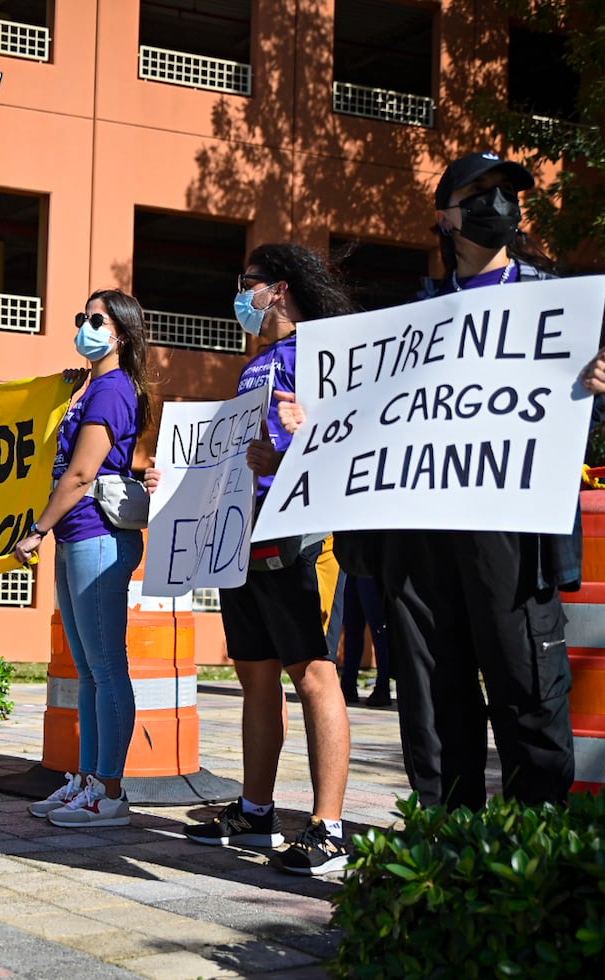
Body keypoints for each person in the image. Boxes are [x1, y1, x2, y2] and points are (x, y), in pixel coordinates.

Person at [279, 152, 605, 811]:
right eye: (482, 192)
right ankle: (447, 844)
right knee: (435, 703)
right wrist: (314, 419)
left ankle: (535, 851)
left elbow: (567, 412)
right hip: (420, 543)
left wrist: (594, 390)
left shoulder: (554, 305)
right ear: (445, 216)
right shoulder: (411, 318)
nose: (500, 204)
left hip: (514, 539)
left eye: (507, 194)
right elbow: (368, 418)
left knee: (528, 690)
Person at [181, 243, 355, 876]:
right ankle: (256, 813)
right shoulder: (257, 364)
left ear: (278, 289)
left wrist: (285, 460)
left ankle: (328, 827)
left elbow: (343, 443)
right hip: (242, 537)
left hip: (299, 538)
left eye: (245, 284)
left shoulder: (321, 353)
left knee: (312, 673)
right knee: (254, 674)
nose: (238, 296)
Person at [18, 289, 152, 828]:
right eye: (82, 318)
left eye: (96, 320)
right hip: (77, 537)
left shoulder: (114, 390)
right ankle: (90, 778)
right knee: (89, 671)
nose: (85, 326)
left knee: (105, 666)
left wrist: (37, 529)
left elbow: (80, 473)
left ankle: (111, 792)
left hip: (96, 534)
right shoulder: (88, 389)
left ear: (119, 332)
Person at [335, 573, 391, 708]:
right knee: (352, 627)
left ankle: (383, 686)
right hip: (351, 565)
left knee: (377, 628)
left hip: (369, 564)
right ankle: (348, 684)